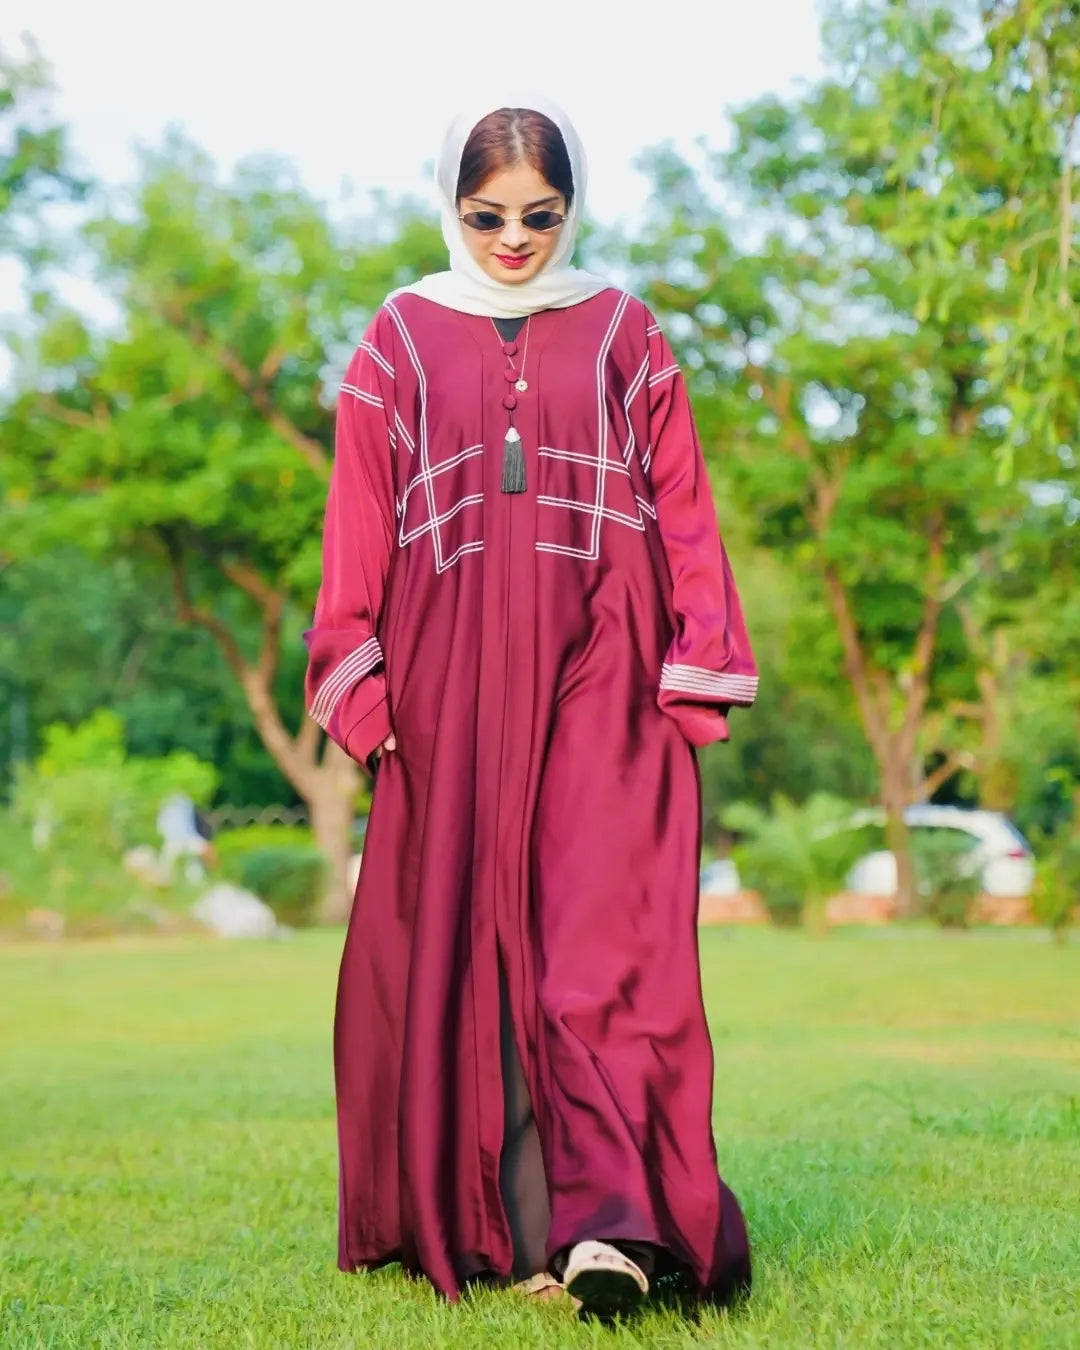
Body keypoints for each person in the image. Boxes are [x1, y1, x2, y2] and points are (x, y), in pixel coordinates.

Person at [304, 94, 757, 1318]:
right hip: (446, 680)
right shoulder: (399, 339)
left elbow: (684, 504)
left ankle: (615, 1230)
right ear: (451, 207)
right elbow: (357, 523)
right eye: (488, 215)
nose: (515, 241)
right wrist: (359, 671)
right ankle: (496, 1220)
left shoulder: (623, 331)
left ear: (573, 207)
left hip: (604, 669)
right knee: (458, 944)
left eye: (540, 217)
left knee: (599, 949)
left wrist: (696, 658)